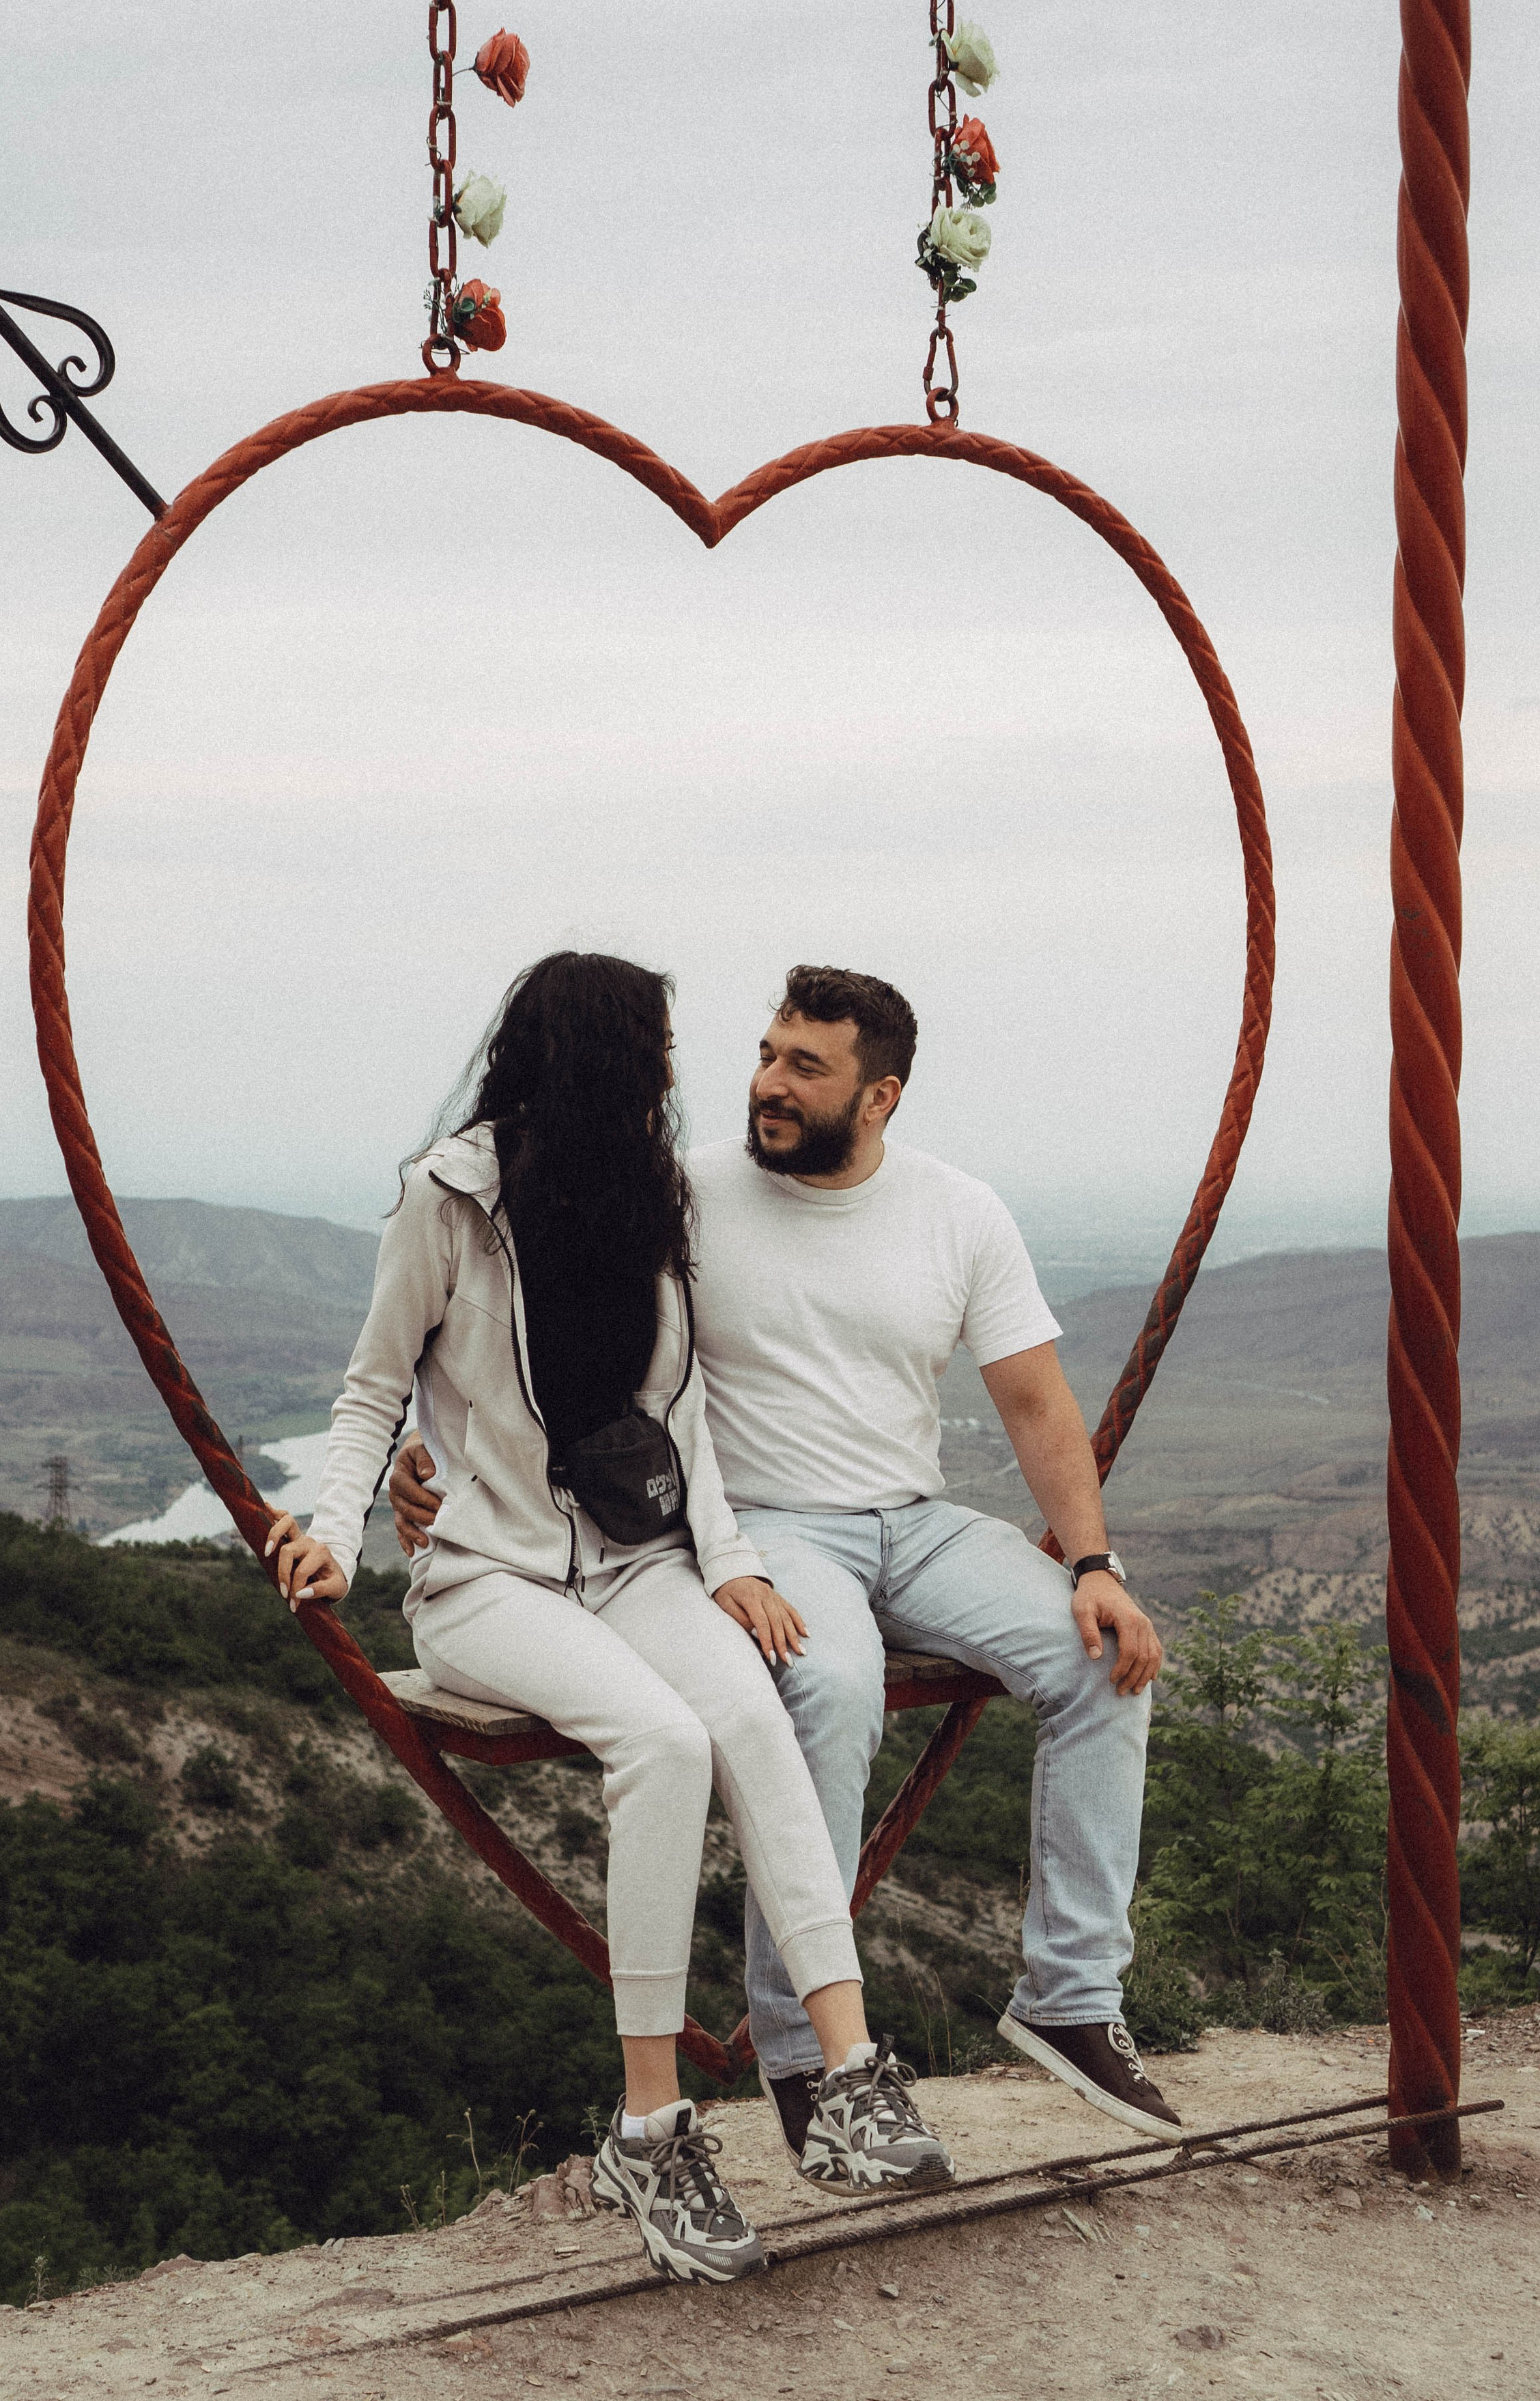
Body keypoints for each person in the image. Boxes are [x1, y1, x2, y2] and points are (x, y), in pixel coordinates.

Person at [394, 963, 1180, 2190]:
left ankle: (1071, 1997)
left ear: (881, 1097)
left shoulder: (959, 1214)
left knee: (1105, 1660)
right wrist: (435, 1460)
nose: (766, 1083)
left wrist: (1093, 1561)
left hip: (912, 1521)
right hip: (760, 1531)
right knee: (830, 1684)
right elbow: (512, 1329)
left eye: (804, 1067)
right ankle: (801, 2046)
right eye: (765, 1054)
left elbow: (1034, 1399)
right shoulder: (682, 1193)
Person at [265, 952, 952, 2284]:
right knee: (664, 1744)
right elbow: (370, 1392)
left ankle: (851, 2065)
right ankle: (649, 2129)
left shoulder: (648, 1192)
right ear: (592, 1052)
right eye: (655, 1046)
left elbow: (679, 1410)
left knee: (749, 1713)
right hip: (489, 1581)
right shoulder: (447, 1199)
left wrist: (734, 1560)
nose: (673, 1070)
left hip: (637, 1564)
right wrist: (332, 1528)